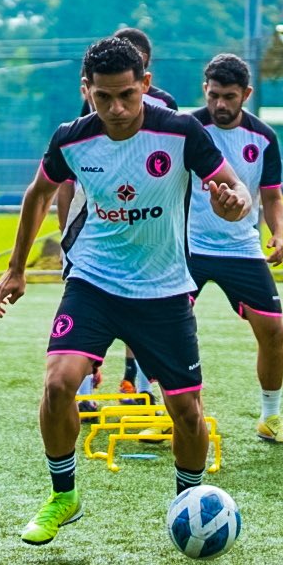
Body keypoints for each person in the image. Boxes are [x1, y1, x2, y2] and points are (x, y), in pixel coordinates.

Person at [0, 35, 251, 546]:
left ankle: (189, 500)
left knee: (186, 412)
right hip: (94, 279)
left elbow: (234, 185)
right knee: (58, 383)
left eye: (128, 96)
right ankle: (63, 495)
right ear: (86, 90)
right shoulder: (71, 138)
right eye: (103, 97)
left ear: (146, 86)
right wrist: (16, 268)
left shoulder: (181, 132)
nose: (116, 108)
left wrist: (235, 204)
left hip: (164, 290)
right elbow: (38, 193)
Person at [58, 26, 177, 404]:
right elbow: (62, 173)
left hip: (147, 224)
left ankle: (138, 385)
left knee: (143, 306)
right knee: (87, 300)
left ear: (145, 73)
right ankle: (85, 384)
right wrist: (65, 230)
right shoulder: (94, 108)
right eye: (103, 95)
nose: (117, 106)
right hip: (97, 213)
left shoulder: (167, 110)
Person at [186, 54, 283, 444]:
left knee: (273, 330)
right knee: (161, 327)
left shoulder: (264, 138)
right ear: (205, 89)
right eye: (214, 95)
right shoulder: (186, 129)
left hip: (242, 247)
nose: (220, 104)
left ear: (246, 95)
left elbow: (272, 195)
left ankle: (270, 416)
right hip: (188, 246)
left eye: (229, 97)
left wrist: (279, 234)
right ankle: (164, 411)